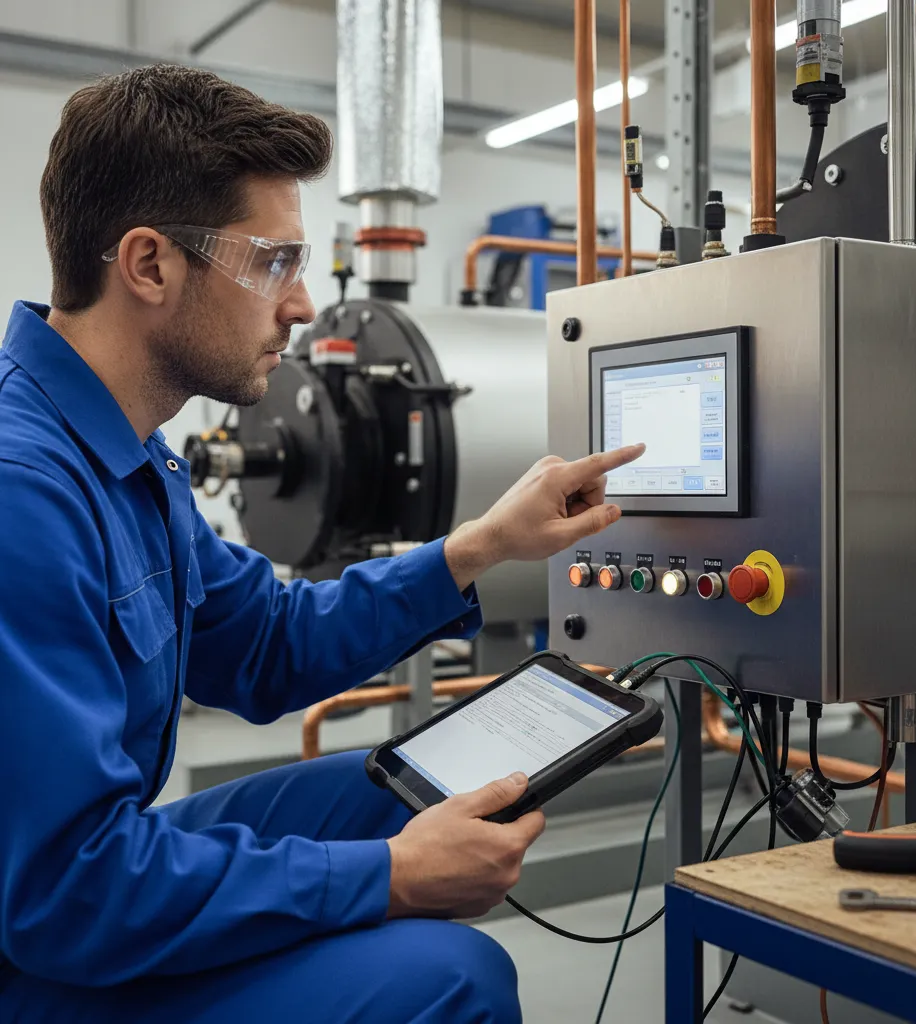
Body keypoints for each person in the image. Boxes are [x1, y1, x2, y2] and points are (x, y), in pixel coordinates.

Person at [0, 65, 644, 1023]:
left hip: (82, 879)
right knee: (456, 977)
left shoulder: (127, 457)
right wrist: (386, 881)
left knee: (405, 786)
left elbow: (262, 646)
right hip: (42, 941)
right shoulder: (25, 495)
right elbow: (65, 894)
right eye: (272, 263)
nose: (300, 306)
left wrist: (477, 549)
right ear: (148, 265)